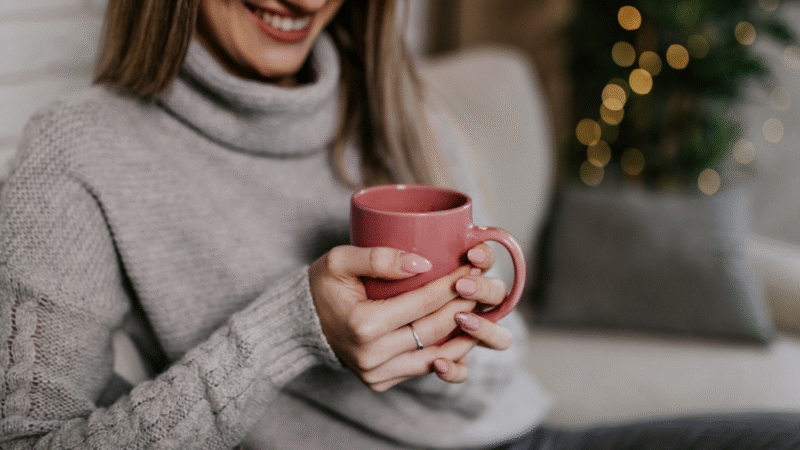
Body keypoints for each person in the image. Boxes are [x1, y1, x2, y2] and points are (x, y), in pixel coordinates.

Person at [1, 1, 798, 449]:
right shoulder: (80, 155)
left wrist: (464, 342)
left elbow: (495, 361)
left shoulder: (404, 111)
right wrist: (294, 327)